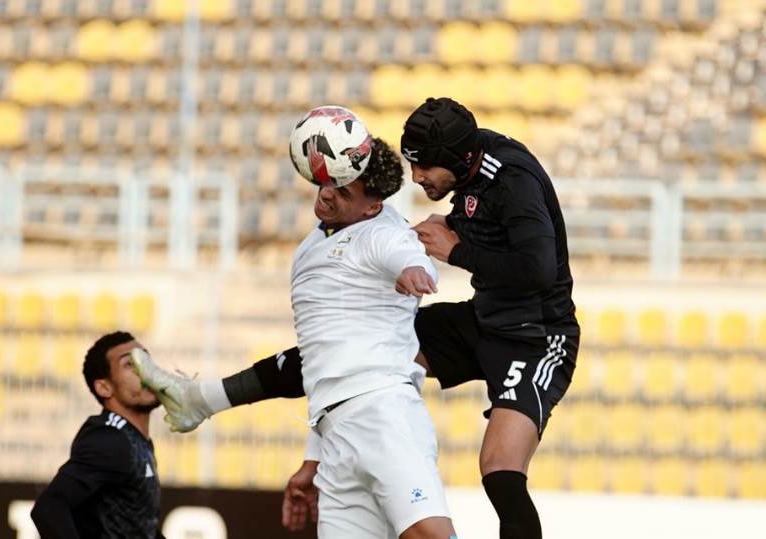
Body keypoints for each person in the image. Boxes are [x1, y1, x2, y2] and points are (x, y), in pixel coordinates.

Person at [139, 97, 579, 539]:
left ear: (458, 160)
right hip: (482, 320)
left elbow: (538, 270)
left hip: (537, 336)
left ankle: (203, 400)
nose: (417, 177)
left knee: (498, 469)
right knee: (352, 346)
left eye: (425, 168)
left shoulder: (512, 180)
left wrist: (455, 251)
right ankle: (204, 399)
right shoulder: (458, 166)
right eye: (413, 164)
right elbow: (339, 366)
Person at [134, 136, 457, 539]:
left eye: (343, 192)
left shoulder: (382, 233)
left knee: (430, 535)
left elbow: (401, 251)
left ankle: (201, 399)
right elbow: (323, 365)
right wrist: (312, 460)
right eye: (328, 182)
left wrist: (413, 269)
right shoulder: (310, 248)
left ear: (371, 206)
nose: (326, 194)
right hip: (333, 432)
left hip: (383, 414)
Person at [31, 331, 165, 539]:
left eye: (145, 359)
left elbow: (137, 525)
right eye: (130, 364)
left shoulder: (135, 439)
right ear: (104, 387)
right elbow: (49, 507)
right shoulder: (110, 439)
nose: (145, 370)